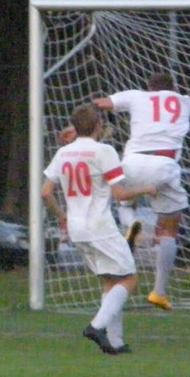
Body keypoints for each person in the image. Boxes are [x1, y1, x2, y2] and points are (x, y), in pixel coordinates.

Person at [94, 73, 190, 310]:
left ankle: (130, 222)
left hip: (133, 162)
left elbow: (102, 103)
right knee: (170, 229)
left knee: (123, 198)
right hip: (165, 166)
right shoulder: (183, 101)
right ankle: (159, 292)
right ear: (173, 88)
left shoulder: (137, 97)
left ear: (149, 88)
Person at [42, 104, 157, 354]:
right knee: (129, 278)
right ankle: (96, 326)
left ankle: (115, 342)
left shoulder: (63, 153)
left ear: (75, 127)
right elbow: (120, 194)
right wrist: (147, 188)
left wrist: (62, 217)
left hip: (77, 227)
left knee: (110, 280)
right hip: (100, 226)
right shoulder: (104, 151)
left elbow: (46, 192)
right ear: (98, 125)